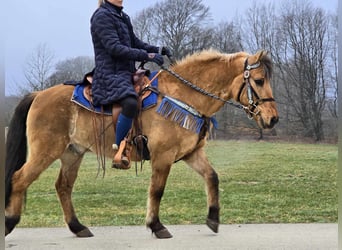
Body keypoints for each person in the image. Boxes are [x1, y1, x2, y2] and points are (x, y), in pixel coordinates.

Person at [91, 0, 172, 169]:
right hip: (109, 74)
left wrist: (157, 50)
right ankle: (121, 149)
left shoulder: (122, 16)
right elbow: (115, 48)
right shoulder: (101, 17)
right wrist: (147, 57)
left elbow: (134, 43)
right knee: (130, 103)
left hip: (126, 73)